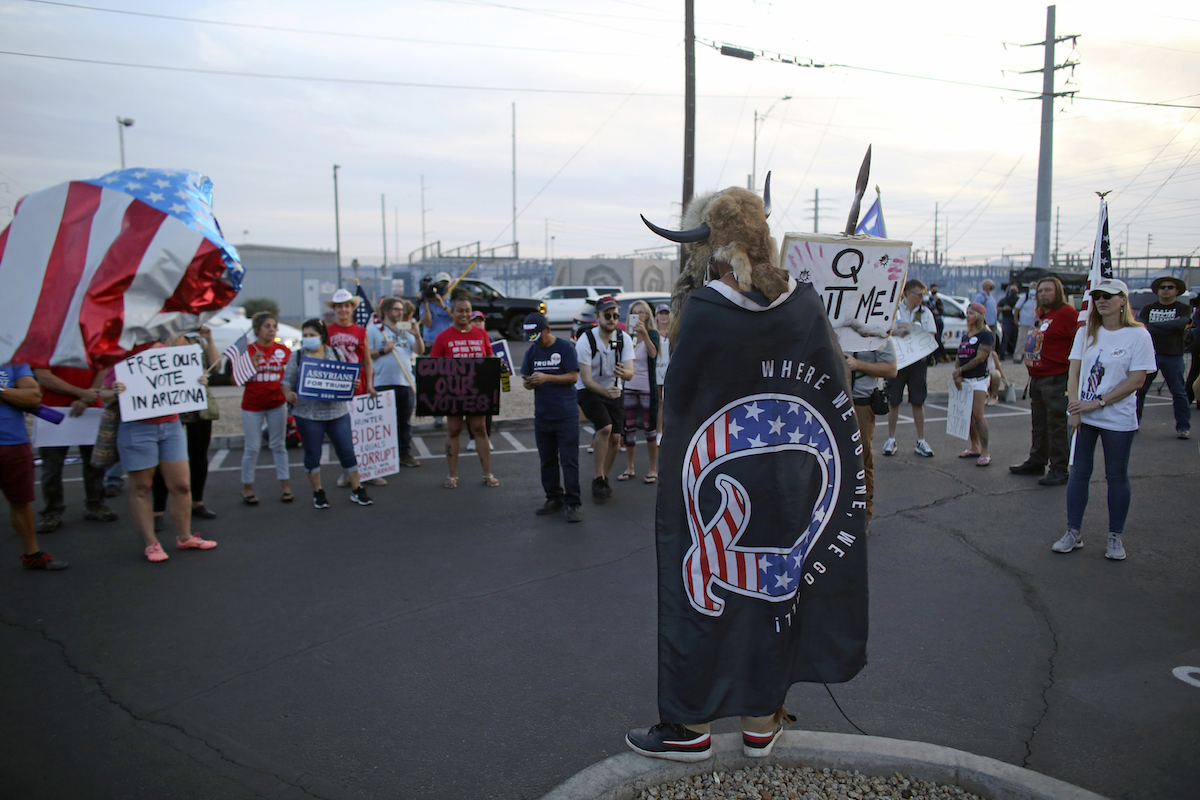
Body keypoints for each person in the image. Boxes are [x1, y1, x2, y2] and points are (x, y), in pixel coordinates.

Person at [629, 182, 866, 762]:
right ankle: (762, 721)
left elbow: (681, 403)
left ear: (709, 250)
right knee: (774, 601)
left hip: (719, 482)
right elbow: (834, 387)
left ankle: (689, 728)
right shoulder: (808, 305)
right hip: (794, 485)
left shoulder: (706, 310)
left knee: (703, 594)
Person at [1053, 279, 1155, 560]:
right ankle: (1073, 532)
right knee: (1079, 473)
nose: (1102, 300)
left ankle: (1115, 536)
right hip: (1084, 416)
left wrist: (1097, 403)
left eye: (1109, 296)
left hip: (1117, 418)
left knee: (1117, 475)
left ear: (1123, 300)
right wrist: (1075, 409)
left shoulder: (1138, 336)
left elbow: (1136, 380)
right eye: (1098, 296)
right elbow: (1073, 372)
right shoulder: (1086, 332)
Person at [100, 346, 218, 562]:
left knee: (181, 485)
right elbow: (104, 392)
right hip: (137, 427)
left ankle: (185, 536)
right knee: (142, 487)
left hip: (171, 426)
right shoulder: (123, 356)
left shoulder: (171, 352)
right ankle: (151, 543)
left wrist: (198, 381)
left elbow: (187, 379)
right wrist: (114, 391)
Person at [280, 319, 373, 508]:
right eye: (305, 335)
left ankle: (357, 489)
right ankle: (318, 492)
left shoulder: (337, 354)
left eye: (312, 335)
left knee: (347, 450)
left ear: (322, 336)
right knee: (313, 453)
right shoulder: (297, 356)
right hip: (308, 415)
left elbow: (347, 376)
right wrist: (288, 393)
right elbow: (286, 382)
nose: (308, 338)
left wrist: (352, 383)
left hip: (337, 412)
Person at [33, 364, 117, 533]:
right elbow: (43, 377)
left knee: (95, 463)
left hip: (90, 407)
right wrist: (83, 394)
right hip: (54, 409)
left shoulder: (92, 340)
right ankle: (52, 511)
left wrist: (87, 397)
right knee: (52, 467)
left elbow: (102, 369)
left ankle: (96, 504)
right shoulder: (45, 342)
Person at [152, 327, 222, 528]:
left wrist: (209, 338)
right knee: (164, 459)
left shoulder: (196, 342)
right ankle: (158, 509)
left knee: (198, 455)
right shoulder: (158, 342)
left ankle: (197, 502)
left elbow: (215, 367)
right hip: (168, 407)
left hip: (196, 407)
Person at [2, 363, 69, 570]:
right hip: (13, 443)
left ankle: (32, 554)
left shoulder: (12, 359)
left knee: (21, 501)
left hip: (12, 442)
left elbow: (32, 397)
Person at [1010, 277, 1076, 485]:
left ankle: (1059, 468)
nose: (1043, 294)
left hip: (1056, 377)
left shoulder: (1067, 314)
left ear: (1058, 292)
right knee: (1039, 424)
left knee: (1056, 425)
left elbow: (1081, 342)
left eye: (1048, 290)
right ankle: (1037, 459)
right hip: (1037, 378)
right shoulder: (1042, 314)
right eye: (1040, 291)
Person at [430, 293, 499, 488]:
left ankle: (487, 474)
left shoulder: (481, 334)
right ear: (452, 312)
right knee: (454, 430)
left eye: (468, 310)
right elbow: (433, 368)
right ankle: (452, 475)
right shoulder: (443, 337)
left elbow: (489, 356)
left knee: (480, 429)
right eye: (460, 310)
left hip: (477, 392)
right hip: (453, 393)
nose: (464, 314)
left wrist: (496, 362)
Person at [521, 312, 582, 522]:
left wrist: (546, 377)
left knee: (569, 461)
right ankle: (553, 497)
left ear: (548, 329)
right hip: (543, 415)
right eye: (532, 337)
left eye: (538, 335)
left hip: (565, 414)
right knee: (547, 460)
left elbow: (573, 376)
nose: (536, 340)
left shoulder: (565, 347)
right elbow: (526, 378)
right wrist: (528, 383)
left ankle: (573, 502)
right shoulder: (532, 351)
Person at [575, 296, 634, 501]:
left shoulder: (624, 338)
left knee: (616, 439)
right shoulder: (586, 340)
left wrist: (623, 373)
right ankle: (597, 477)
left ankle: (604, 478)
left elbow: (630, 373)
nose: (612, 319)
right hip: (589, 390)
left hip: (614, 390)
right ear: (597, 317)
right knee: (605, 428)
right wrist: (606, 392)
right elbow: (586, 379)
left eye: (615, 315)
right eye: (607, 315)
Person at [240, 312, 294, 504]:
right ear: (257, 329)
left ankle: (285, 486)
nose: (271, 330)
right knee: (252, 448)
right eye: (267, 326)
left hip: (276, 405)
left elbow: (292, 374)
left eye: (274, 326)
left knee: (279, 446)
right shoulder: (247, 350)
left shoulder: (282, 350)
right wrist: (251, 364)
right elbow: (235, 380)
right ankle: (247, 487)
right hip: (252, 406)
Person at [882, 279, 937, 458]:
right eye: (918, 295)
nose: (921, 298)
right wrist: (896, 331)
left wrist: (911, 328)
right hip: (898, 361)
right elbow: (883, 330)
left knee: (918, 400)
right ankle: (891, 438)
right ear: (907, 294)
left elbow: (931, 337)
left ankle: (921, 439)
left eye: (923, 295)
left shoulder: (926, 313)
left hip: (918, 362)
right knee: (894, 400)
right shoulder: (895, 310)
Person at [367, 296, 423, 468]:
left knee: (404, 422)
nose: (401, 313)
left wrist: (417, 335)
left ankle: (404, 453)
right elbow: (366, 354)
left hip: (405, 382)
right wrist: (383, 351)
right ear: (386, 311)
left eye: (401, 310)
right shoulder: (374, 330)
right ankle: (386, 456)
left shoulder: (405, 329)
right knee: (385, 423)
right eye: (397, 309)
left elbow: (419, 351)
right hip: (383, 382)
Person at [846, 340, 897, 525]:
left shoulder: (877, 332)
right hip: (831, 400)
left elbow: (891, 369)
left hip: (861, 401)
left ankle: (864, 515)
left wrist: (858, 365)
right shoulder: (832, 323)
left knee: (862, 457)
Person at [1134, 276, 1191, 439]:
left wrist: (1153, 327)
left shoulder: (1183, 308)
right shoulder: (1147, 308)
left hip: (1173, 356)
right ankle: (1133, 423)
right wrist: (1170, 326)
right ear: (1158, 291)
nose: (1166, 289)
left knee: (1178, 392)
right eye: (1163, 287)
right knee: (1140, 390)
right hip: (1148, 355)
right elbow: (1142, 327)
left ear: (1177, 291)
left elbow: (1181, 324)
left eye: (1170, 287)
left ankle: (1183, 427)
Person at [618, 300, 661, 484]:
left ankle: (653, 468)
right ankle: (630, 467)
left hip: (646, 387)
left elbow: (653, 354)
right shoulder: (625, 336)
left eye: (642, 312)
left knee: (650, 429)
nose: (638, 315)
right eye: (635, 313)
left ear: (647, 316)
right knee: (629, 429)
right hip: (628, 385)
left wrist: (644, 334)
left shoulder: (652, 333)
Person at [953, 303, 995, 466]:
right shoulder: (966, 334)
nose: (968, 316)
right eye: (967, 313)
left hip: (978, 379)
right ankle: (974, 446)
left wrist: (960, 370)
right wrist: (957, 373)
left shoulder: (985, 334)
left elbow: (980, 357)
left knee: (978, 414)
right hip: (965, 379)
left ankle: (985, 450)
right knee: (968, 416)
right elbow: (959, 355)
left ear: (979, 315)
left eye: (971, 313)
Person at [465, 310, 495, 452]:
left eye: (480, 321)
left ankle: (486, 437)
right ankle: (472, 438)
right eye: (474, 321)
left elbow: (492, 356)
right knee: (468, 410)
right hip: (468, 380)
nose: (478, 323)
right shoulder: (465, 337)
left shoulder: (490, 338)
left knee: (487, 411)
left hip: (485, 380)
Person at [1013, 284, 1037, 364]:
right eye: (1032, 288)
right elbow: (1017, 308)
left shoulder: (1038, 298)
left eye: (1035, 288)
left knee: (1034, 341)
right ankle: (1017, 357)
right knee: (1021, 340)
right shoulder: (1024, 297)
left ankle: (1031, 357)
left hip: (1034, 324)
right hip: (1024, 323)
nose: (1033, 290)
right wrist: (1016, 320)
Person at [998, 282, 1021, 358]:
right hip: (1007, 320)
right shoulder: (1004, 300)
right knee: (1005, 338)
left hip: (1016, 320)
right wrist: (1003, 308)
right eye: (1012, 290)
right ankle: (1002, 354)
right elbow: (997, 308)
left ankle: (1014, 353)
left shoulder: (1020, 300)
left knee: (1016, 338)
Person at [927, 284, 949, 362]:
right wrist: (934, 301)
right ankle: (942, 355)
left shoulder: (940, 300)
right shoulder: (929, 299)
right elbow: (930, 309)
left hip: (939, 320)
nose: (935, 293)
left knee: (938, 338)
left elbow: (943, 311)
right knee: (936, 338)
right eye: (934, 291)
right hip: (933, 321)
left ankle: (942, 355)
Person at [974, 279, 999, 344]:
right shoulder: (980, 296)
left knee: (992, 341)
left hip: (993, 323)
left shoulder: (991, 296)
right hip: (985, 323)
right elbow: (975, 309)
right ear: (986, 286)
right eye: (991, 285)